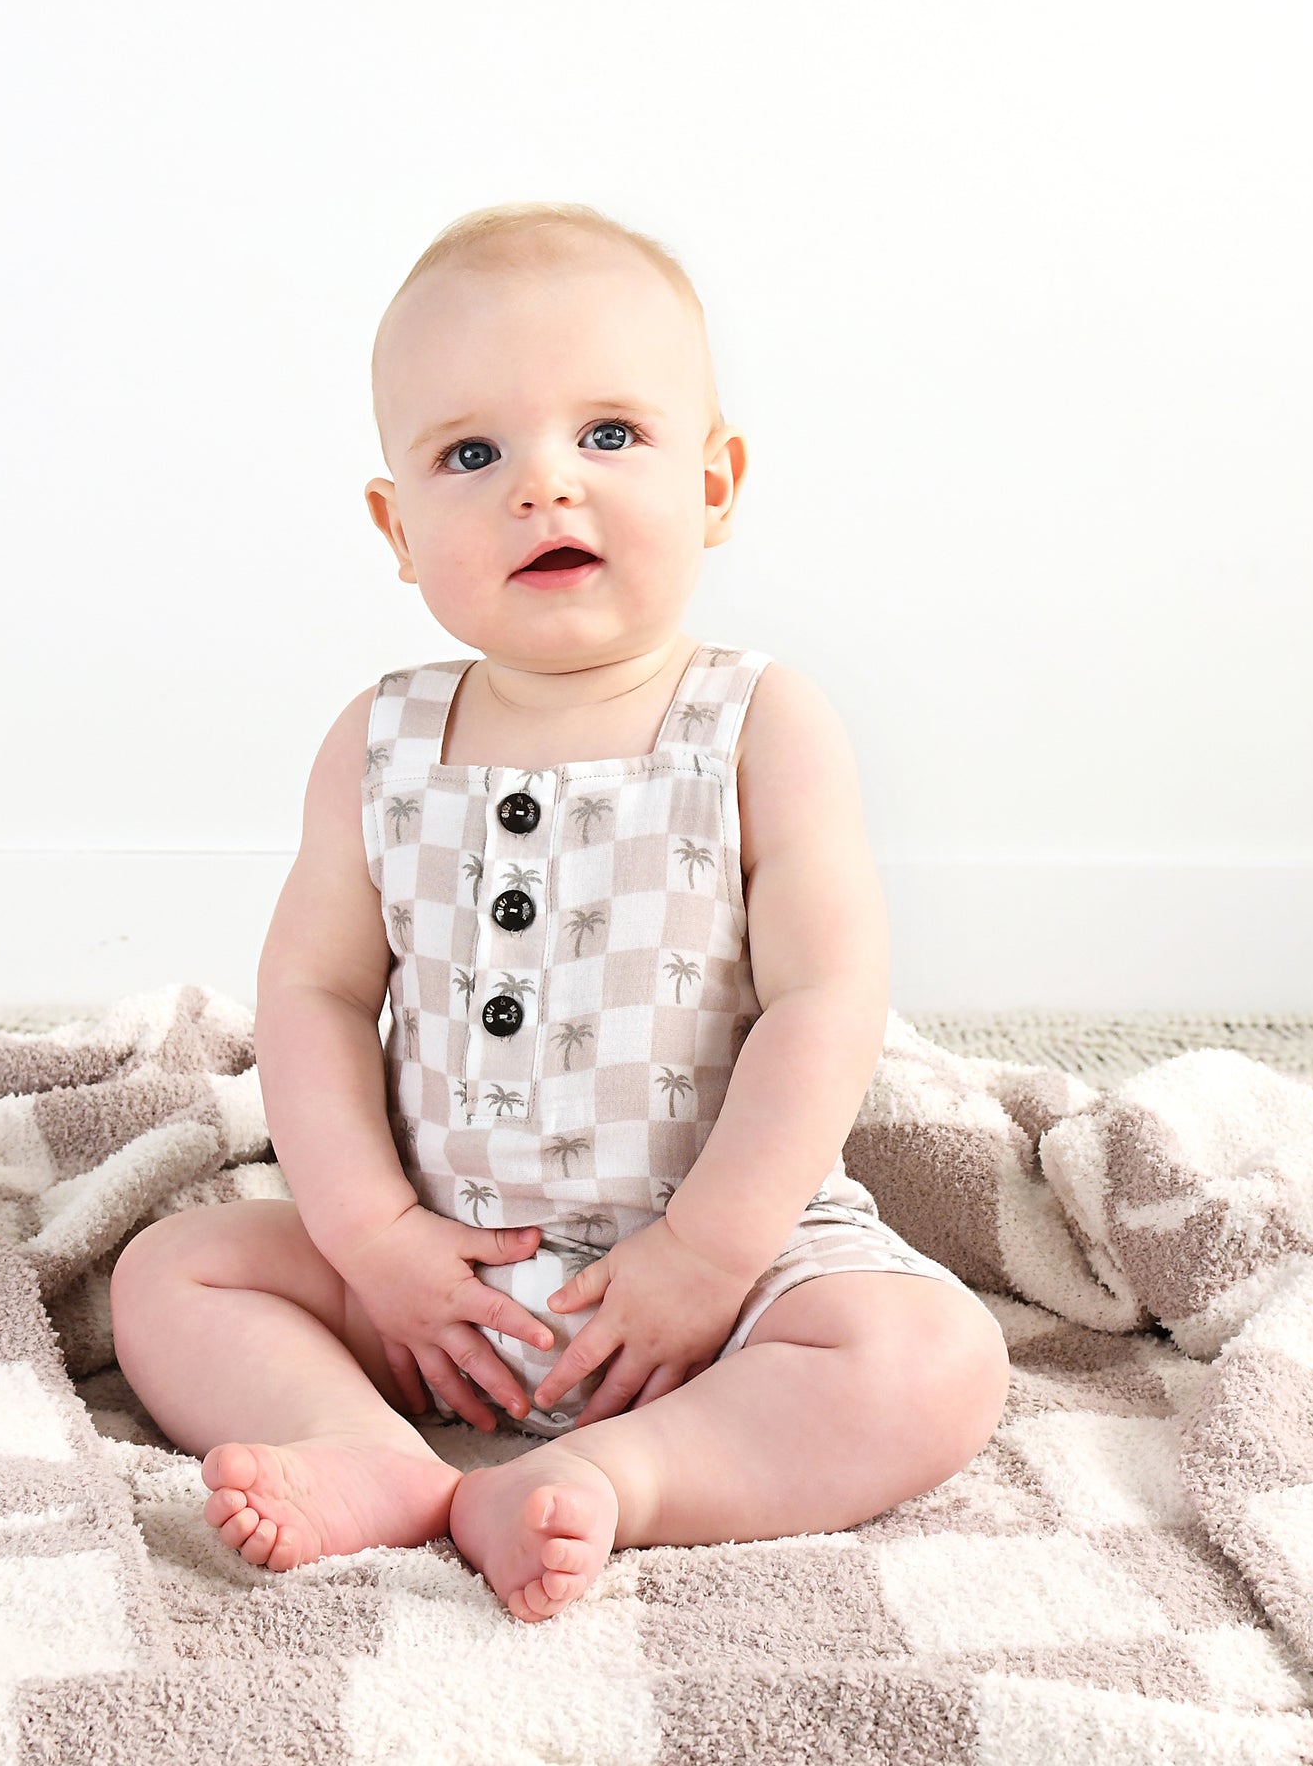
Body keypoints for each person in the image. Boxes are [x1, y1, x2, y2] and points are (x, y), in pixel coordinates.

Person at [109, 201, 1010, 1624]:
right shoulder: (380, 742)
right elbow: (315, 997)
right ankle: (367, 1451)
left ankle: (620, 1475)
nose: (544, 486)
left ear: (714, 483)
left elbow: (825, 1001)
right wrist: (374, 1244)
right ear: (398, 528)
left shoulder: (757, 726)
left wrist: (708, 1255)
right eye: (473, 455)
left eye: (609, 435)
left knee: (932, 1360)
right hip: (444, 1284)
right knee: (174, 1275)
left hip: (724, 1290)